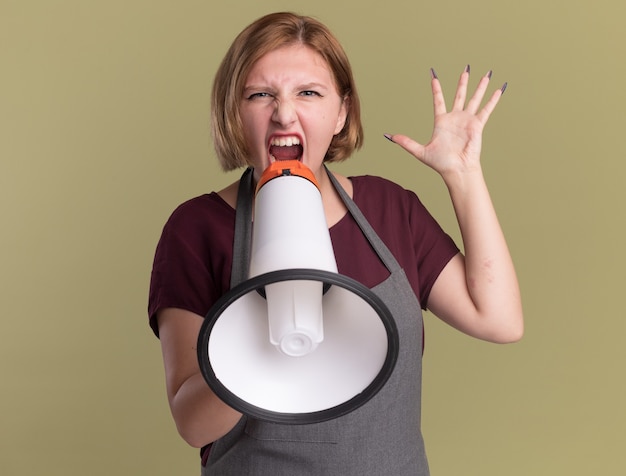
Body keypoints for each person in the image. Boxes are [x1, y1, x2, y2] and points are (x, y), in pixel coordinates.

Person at [148, 11, 523, 476]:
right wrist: (275, 341)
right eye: (261, 94)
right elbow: (191, 424)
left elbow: (500, 319)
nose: (284, 113)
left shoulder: (391, 210)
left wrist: (463, 175)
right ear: (234, 110)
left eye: (308, 92)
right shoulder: (196, 227)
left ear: (342, 111)